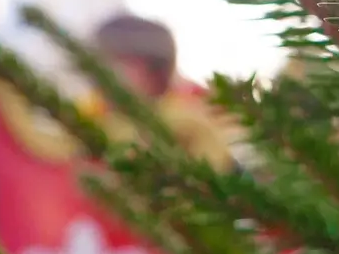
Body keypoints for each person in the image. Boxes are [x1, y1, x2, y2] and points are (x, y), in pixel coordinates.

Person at [87, 14, 236, 170]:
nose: (100, 72)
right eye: (95, 62)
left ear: (155, 69)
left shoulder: (187, 126)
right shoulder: (91, 120)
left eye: (117, 62)